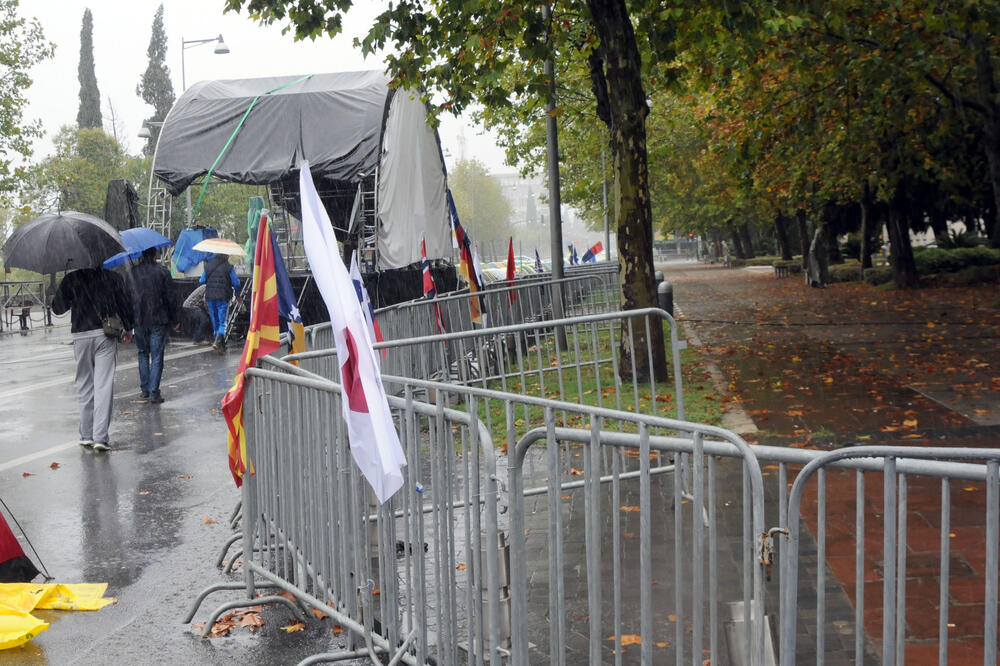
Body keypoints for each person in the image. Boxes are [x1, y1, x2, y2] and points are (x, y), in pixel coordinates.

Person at [51, 267, 134, 452]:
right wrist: (128, 328)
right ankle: (100, 438)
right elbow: (125, 304)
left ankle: (86, 435)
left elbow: (57, 308)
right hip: (105, 334)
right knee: (103, 385)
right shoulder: (112, 276)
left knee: (84, 384)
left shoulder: (72, 277)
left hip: (80, 334)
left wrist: (60, 287)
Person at [131, 248, 179, 403]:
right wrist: (175, 319)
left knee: (142, 353)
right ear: (154, 255)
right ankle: (154, 392)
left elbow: (127, 297)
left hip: (139, 319)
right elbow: (171, 297)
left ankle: (145, 390)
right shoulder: (162, 272)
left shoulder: (132, 273)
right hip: (158, 318)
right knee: (157, 355)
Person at [200, 253, 241, 354]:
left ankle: (220, 345)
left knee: (215, 322)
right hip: (223, 297)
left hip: (210, 297)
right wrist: (238, 295)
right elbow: (236, 283)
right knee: (223, 323)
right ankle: (218, 342)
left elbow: (202, 280)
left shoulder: (208, 265)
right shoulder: (228, 267)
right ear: (226, 256)